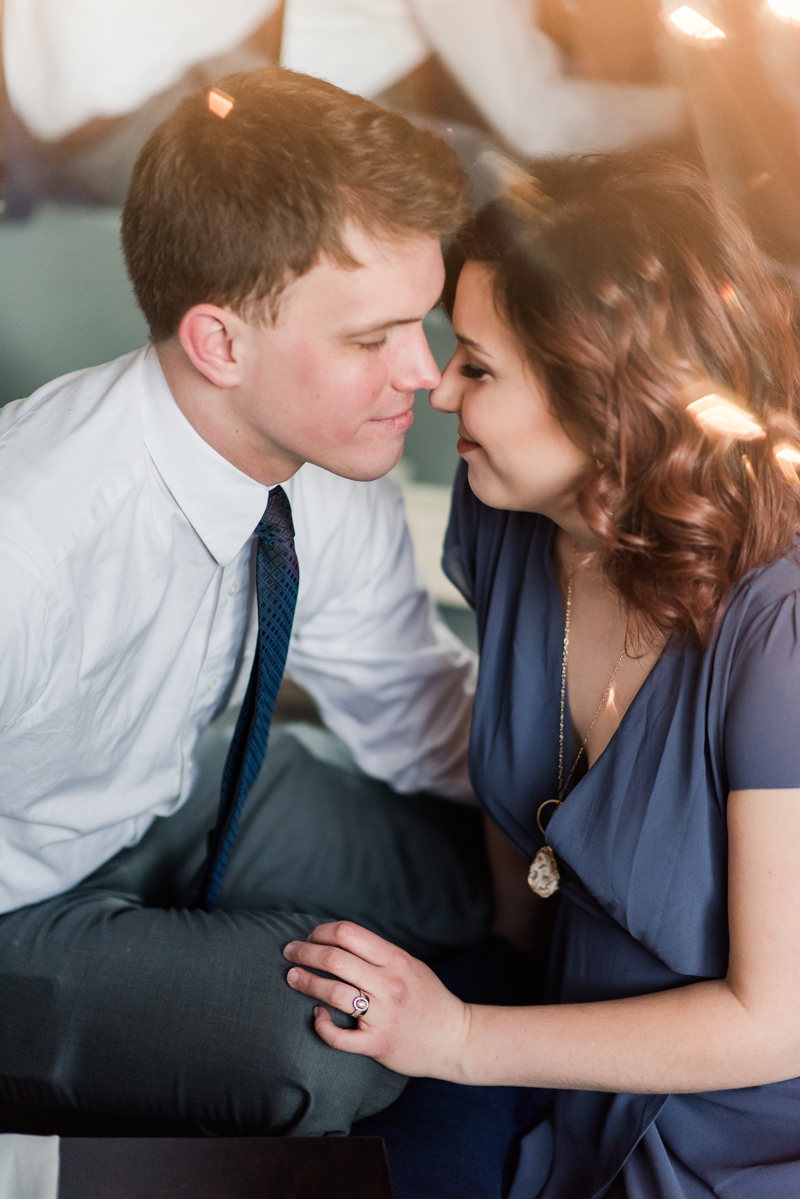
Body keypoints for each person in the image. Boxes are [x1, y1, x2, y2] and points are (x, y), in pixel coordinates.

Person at [284, 151, 800, 1197]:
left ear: (599, 393)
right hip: (537, 1025)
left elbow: (772, 1021)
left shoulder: (774, 624)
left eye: (474, 364)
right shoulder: (507, 513)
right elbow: (521, 860)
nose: (435, 389)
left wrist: (464, 1037)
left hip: (735, 1113)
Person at [0, 67, 491, 1137]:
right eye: (373, 339)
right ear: (219, 341)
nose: (425, 371)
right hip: (11, 902)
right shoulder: (25, 544)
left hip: (163, 792)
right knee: (331, 1049)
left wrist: (604, 785)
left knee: (488, 881)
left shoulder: (322, 454)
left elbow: (409, 697)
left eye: (424, 320)